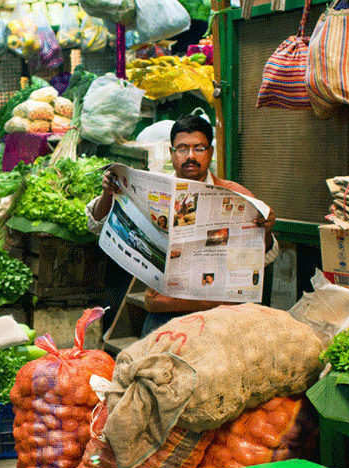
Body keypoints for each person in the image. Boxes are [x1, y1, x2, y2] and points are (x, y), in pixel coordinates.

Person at [86, 115, 279, 334]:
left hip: (223, 312)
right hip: (167, 309)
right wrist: (107, 194)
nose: (190, 156)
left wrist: (267, 230)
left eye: (199, 148)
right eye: (182, 148)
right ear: (171, 153)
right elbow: (96, 225)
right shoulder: (153, 190)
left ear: (210, 153)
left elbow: (267, 256)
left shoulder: (234, 194)